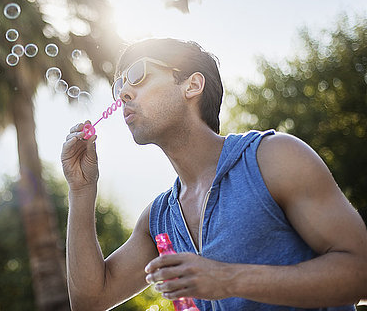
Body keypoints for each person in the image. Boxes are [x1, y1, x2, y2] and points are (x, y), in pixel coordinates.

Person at [61, 38, 367, 311]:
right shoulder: (158, 220)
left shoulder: (274, 158)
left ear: (192, 85)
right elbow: (90, 301)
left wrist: (229, 279)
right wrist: (81, 189)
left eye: (138, 75)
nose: (123, 93)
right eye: (118, 86)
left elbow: (361, 271)